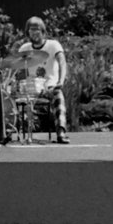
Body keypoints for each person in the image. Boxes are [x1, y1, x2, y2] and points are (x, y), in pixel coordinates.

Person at [15, 16, 69, 144]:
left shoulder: (53, 45)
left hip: (48, 87)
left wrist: (60, 81)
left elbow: (62, 62)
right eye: (31, 30)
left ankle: (61, 131)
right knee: (7, 97)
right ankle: (6, 132)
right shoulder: (25, 48)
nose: (34, 33)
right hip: (29, 88)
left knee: (58, 95)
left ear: (43, 31)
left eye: (37, 29)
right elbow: (18, 69)